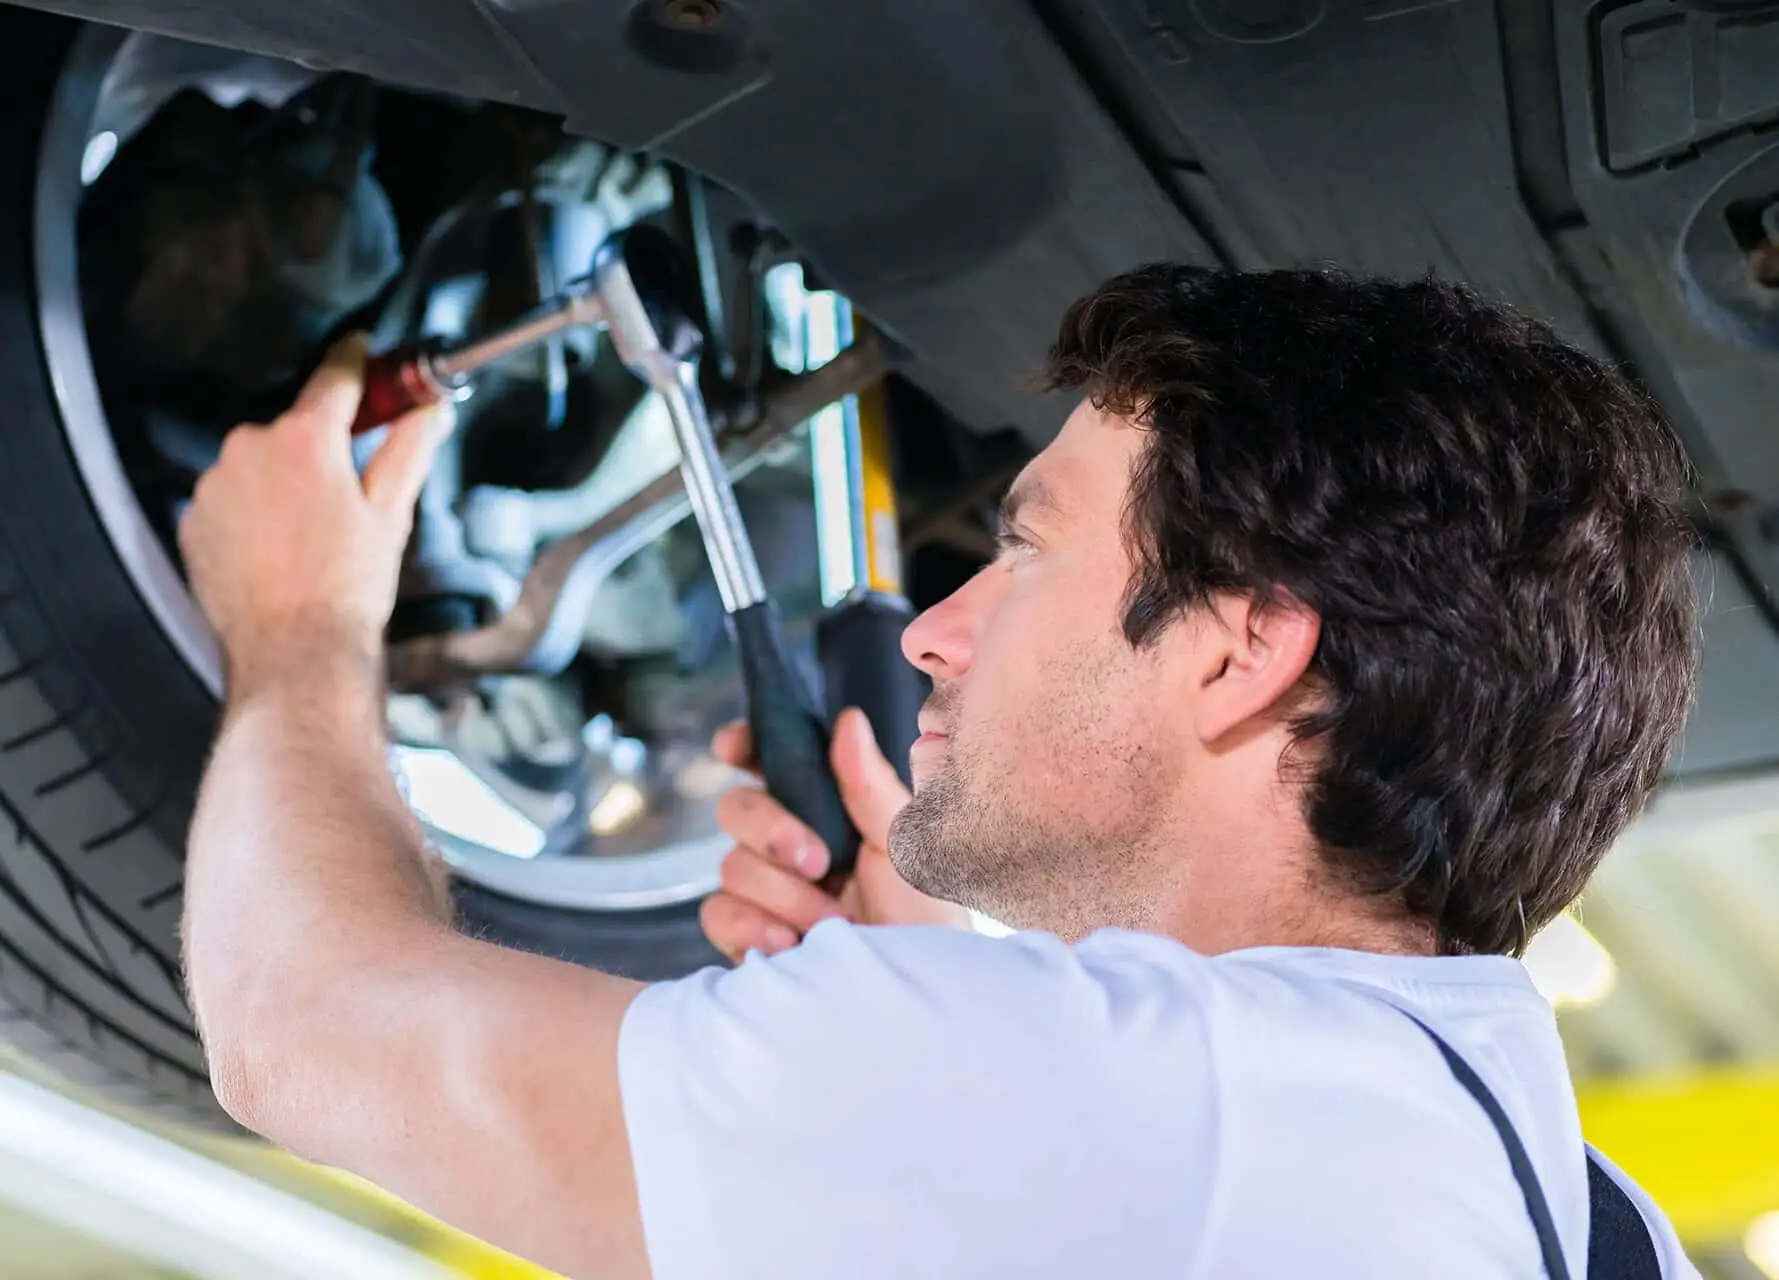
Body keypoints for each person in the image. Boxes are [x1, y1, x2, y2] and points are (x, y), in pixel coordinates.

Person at [177, 265, 1704, 1280]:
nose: (935, 632)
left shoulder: (1142, 1111)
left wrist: (298, 622)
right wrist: (924, 1005)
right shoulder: (1581, 1221)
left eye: (1023, 548)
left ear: (1240, 656)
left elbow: (294, 1024)